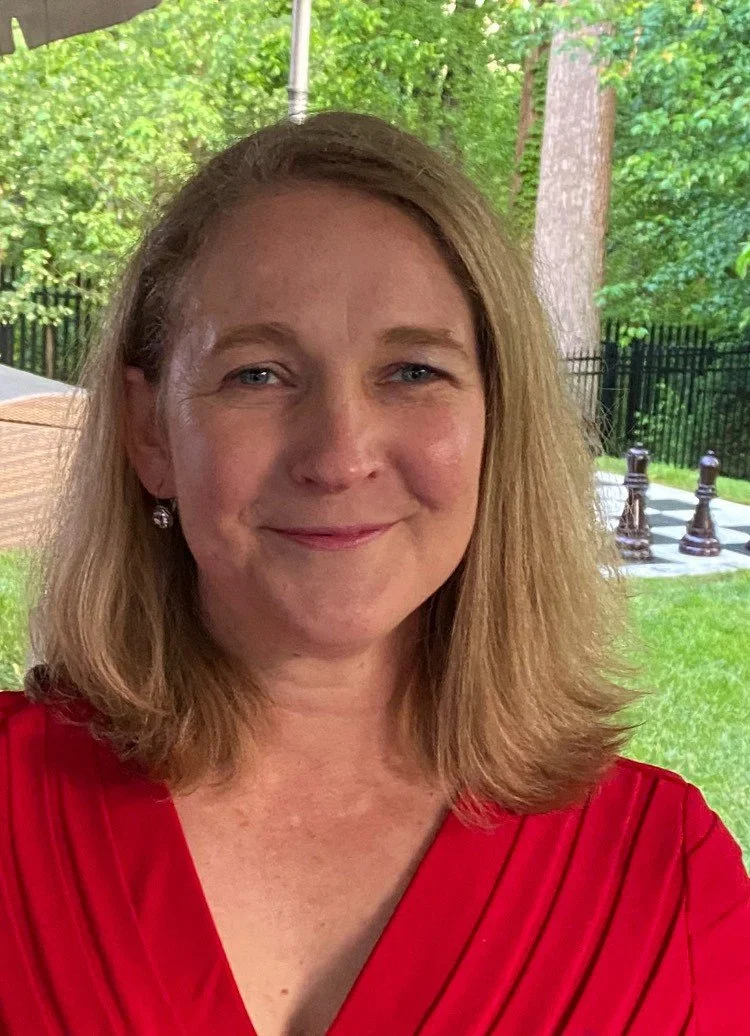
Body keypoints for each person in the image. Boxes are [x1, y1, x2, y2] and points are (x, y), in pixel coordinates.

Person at [1, 110, 747, 1036]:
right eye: (259, 375)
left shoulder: (666, 880)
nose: (340, 455)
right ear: (151, 433)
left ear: (495, 421)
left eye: (412, 371)